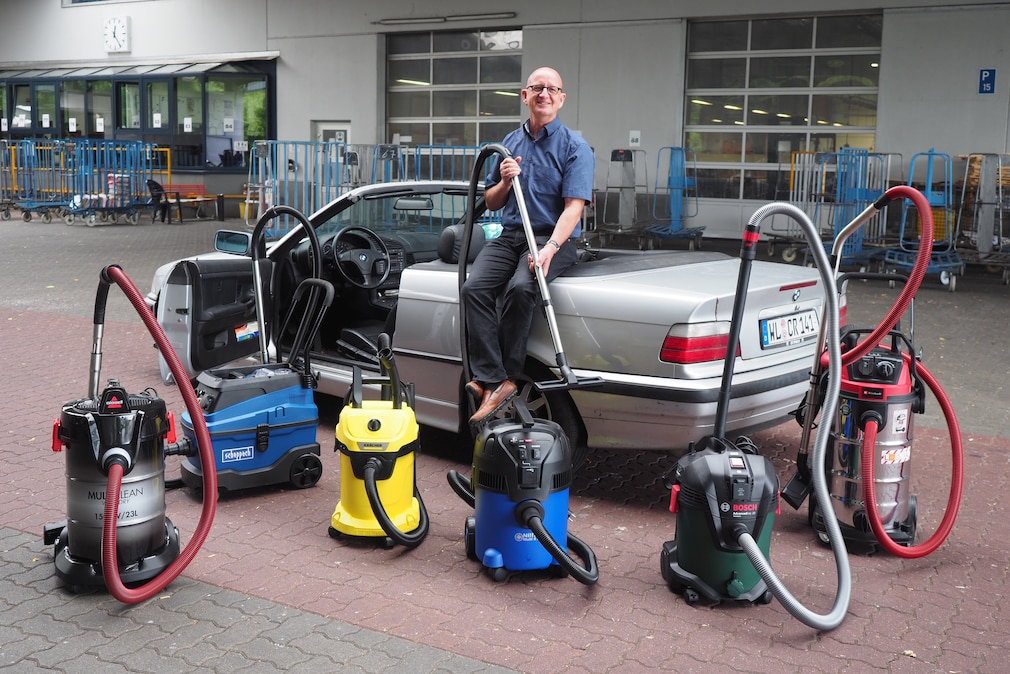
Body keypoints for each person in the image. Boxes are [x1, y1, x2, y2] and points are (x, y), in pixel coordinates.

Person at [461, 66, 595, 425]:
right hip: (511, 236)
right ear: (525, 95)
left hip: (554, 238)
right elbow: (490, 202)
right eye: (537, 88)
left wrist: (550, 247)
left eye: (552, 89)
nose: (544, 94)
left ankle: (503, 377)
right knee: (474, 288)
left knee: (522, 288)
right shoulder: (509, 144)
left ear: (561, 99)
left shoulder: (575, 148)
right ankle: (493, 379)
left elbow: (574, 209)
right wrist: (504, 182)